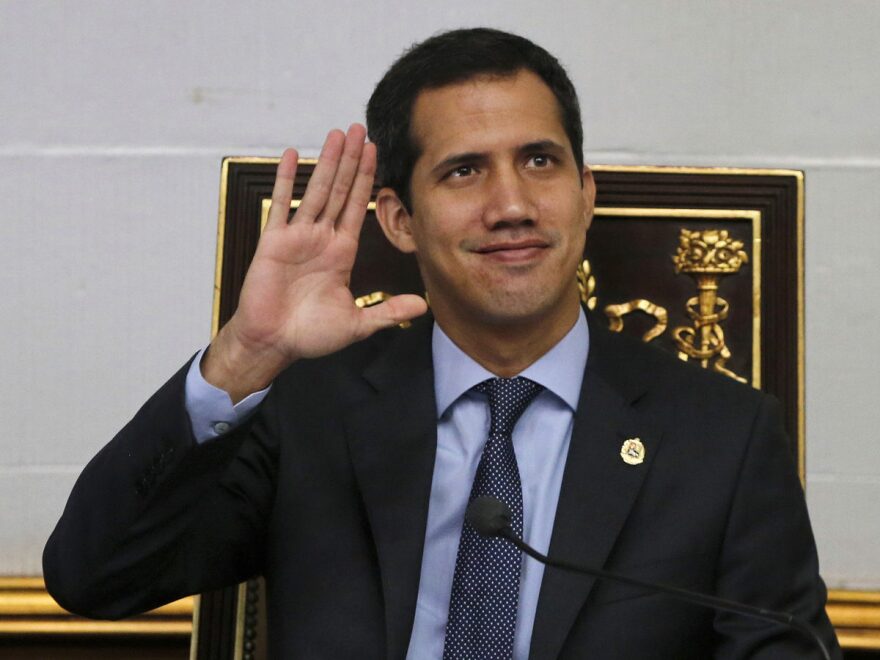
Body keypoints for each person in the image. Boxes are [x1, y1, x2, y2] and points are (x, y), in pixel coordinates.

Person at [44, 28, 840, 659]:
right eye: (464, 171)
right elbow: (95, 579)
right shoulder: (310, 412)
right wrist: (246, 356)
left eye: (540, 161)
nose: (513, 205)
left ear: (586, 192)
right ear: (398, 220)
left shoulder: (723, 438)